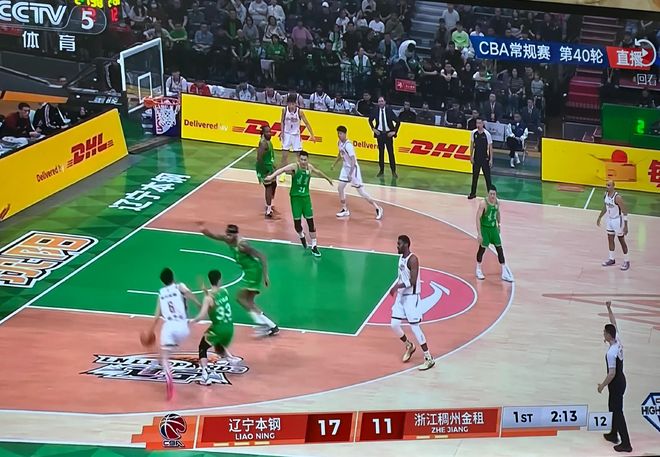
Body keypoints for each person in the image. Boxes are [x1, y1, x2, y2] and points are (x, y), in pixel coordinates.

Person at [199, 223, 280, 336]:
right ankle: (272, 326)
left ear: (236, 235)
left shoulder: (243, 245)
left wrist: (265, 275)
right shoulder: (227, 240)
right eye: (227, 235)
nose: (228, 237)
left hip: (253, 272)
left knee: (240, 298)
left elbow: (261, 256)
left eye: (230, 235)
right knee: (249, 302)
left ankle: (262, 324)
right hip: (249, 272)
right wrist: (204, 231)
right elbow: (215, 236)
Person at [266, 152, 333, 257]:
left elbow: (318, 172)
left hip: (306, 198)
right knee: (297, 225)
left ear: (307, 160)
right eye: (301, 159)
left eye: (305, 160)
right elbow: (282, 170)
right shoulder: (295, 167)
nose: (303, 162)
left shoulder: (309, 168)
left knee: (310, 223)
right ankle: (302, 235)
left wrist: (328, 179)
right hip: (295, 199)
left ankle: (314, 246)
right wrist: (271, 177)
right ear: (299, 159)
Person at [147, 268, 201, 400]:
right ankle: (159, 360)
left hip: (169, 327)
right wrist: (199, 304)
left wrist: (150, 330)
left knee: (165, 356)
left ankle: (168, 378)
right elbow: (189, 294)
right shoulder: (179, 286)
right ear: (173, 277)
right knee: (168, 349)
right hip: (183, 327)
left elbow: (157, 315)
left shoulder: (161, 293)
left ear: (162, 281)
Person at [388, 235, 435, 371]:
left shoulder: (413, 259)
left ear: (406, 245)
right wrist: (397, 287)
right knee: (394, 324)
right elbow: (401, 276)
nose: (397, 246)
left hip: (411, 298)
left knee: (415, 327)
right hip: (401, 297)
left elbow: (413, 281)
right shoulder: (401, 258)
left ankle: (428, 358)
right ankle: (409, 345)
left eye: (399, 244)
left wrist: (397, 286)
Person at [190, 269, 241, 386]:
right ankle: (231, 359)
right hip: (229, 328)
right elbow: (216, 301)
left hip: (218, 329)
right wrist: (206, 293)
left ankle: (205, 375)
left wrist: (192, 321)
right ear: (220, 279)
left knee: (202, 347)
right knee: (218, 344)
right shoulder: (225, 291)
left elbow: (203, 314)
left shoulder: (208, 298)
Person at [598, 301, 632, 453]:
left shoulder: (611, 353)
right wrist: (609, 308)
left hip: (616, 383)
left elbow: (611, 373)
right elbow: (614, 323)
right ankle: (613, 434)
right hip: (620, 381)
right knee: (612, 408)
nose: (603, 334)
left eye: (604, 332)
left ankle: (626, 443)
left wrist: (602, 385)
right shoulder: (617, 340)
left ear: (608, 335)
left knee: (618, 412)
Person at [331, 126, 383, 220]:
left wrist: (350, 173)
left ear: (345, 134)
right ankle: (345, 209)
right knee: (340, 188)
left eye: (341, 133)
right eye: (338, 133)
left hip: (353, 169)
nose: (339, 135)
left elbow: (353, 160)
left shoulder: (348, 145)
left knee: (361, 192)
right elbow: (340, 154)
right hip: (345, 168)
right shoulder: (339, 143)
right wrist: (334, 164)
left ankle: (378, 208)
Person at [475, 187, 514, 282]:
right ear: (488, 194)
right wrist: (479, 233)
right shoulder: (483, 203)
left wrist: (499, 224)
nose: (492, 196)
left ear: (496, 194)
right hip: (485, 228)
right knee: (482, 249)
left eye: (494, 194)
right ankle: (478, 269)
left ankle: (504, 272)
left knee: (499, 248)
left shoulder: (497, 202)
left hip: (493, 229)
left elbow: (498, 213)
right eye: (491, 194)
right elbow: (477, 218)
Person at [279, 93, 316, 182]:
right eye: (290, 104)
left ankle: (300, 173)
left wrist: (312, 135)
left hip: (296, 135)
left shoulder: (300, 112)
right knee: (284, 155)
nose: (291, 106)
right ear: (287, 104)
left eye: (293, 104)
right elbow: (282, 122)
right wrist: (282, 132)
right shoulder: (284, 110)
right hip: (287, 134)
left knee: (299, 156)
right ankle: (283, 174)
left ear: (296, 103)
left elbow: (307, 123)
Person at [597, 181, 630, 271]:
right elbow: (605, 207)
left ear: (613, 186)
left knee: (621, 240)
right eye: (606, 185)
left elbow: (625, 211)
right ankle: (611, 259)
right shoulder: (605, 195)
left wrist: (626, 225)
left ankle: (626, 261)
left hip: (617, 220)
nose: (607, 186)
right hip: (609, 219)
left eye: (609, 185)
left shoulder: (617, 197)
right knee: (610, 239)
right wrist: (599, 217)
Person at [368, 96, 400, 178]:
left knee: (391, 153)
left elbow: (398, 122)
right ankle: (381, 171)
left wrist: (394, 132)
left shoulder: (389, 110)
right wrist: (373, 129)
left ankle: (393, 171)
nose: (380, 103)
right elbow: (370, 120)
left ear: (385, 102)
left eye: (382, 101)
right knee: (381, 153)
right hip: (380, 134)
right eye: (379, 101)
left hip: (388, 135)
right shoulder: (375, 110)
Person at [467, 118, 494, 199]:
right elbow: (472, 145)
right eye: (477, 123)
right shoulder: (473, 133)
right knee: (475, 177)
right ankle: (473, 193)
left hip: (485, 158)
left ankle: (491, 195)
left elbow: (490, 147)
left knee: (487, 178)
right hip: (476, 158)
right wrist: (471, 156)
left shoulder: (487, 134)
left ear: (483, 124)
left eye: (479, 123)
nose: (478, 125)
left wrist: (491, 159)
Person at [256, 126, 277, 218]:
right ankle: (268, 210)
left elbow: (269, 155)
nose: (269, 133)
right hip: (264, 167)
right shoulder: (263, 144)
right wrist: (265, 170)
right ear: (263, 133)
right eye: (267, 132)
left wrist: (272, 165)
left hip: (269, 166)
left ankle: (270, 201)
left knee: (274, 184)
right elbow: (259, 158)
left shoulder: (268, 141)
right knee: (268, 187)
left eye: (270, 131)